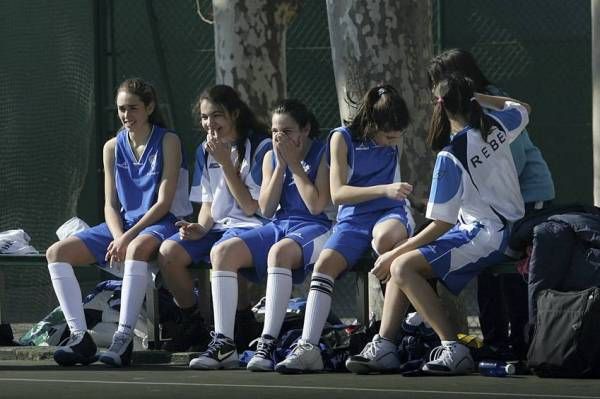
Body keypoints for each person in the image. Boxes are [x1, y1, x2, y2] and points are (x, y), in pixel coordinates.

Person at [346, 74, 531, 375]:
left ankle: (453, 348)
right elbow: (522, 106)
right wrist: (477, 98)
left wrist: (393, 253)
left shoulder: (451, 155)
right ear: (469, 100)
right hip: (500, 229)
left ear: (440, 106)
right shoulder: (496, 125)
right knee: (402, 264)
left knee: (402, 266)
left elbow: (441, 224)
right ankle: (385, 345)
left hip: (488, 236)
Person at [46, 78, 192, 367]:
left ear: (149, 107)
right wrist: (118, 234)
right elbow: (110, 204)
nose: (127, 115)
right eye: (122, 109)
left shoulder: (168, 140)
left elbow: (163, 203)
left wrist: (126, 238)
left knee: (137, 249)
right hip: (122, 226)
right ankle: (79, 338)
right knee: (56, 253)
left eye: (133, 108)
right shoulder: (112, 146)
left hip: (161, 222)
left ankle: (123, 339)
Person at [274, 85, 415, 374]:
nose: (395, 141)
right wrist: (385, 189)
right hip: (352, 218)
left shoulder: (392, 138)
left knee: (386, 239)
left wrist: (399, 195)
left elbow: (392, 193)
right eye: (390, 135)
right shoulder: (342, 138)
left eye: (398, 135)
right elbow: (337, 194)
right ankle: (308, 347)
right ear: (373, 124)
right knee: (324, 264)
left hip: (390, 212)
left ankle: (387, 340)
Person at [187, 99, 332, 371]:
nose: (280, 137)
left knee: (280, 252)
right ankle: (224, 344)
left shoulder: (323, 153)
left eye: (287, 131)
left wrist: (295, 165)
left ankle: (267, 343)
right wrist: (280, 166)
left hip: (316, 226)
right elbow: (265, 208)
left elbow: (316, 205)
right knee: (222, 251)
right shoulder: (271, 155)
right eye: (275, 131)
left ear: (305, 129)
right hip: (280, 223)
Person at [428, 48, 555, 359]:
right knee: (488, 267)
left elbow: (517, 159)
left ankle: (519, 339)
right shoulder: (461, 117)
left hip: (527, 197)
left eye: (437, 83)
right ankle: (495, 338)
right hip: (494, 208)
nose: (435, 93)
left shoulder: (490, 104)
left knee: (507, 265)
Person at [157, 85, 271, 353]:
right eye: (205, 117)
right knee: (168, 251)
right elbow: (208, 203)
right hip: (219, 228)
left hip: (253, 226)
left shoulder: (261, 146)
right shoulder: (204, 150)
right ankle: (194, 322)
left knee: (224, 250)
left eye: (217, 115)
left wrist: (226, 163)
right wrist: (200, 227)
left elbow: (250, 206)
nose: (210, 123)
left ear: (234, 114)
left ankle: (239, 324)